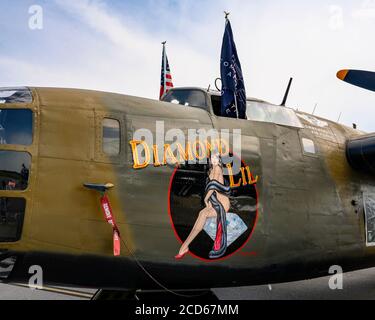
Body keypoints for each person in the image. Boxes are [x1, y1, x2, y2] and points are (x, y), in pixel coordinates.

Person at [175, 151, 231, 259]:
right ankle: (184, 247)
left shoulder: (218, 169)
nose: (213, 160)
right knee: (202, 214)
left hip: (222, 204)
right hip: (215, 202)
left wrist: (206, 199)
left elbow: (212, 186)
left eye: (216, 158)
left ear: (219, 159)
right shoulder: (211, 170)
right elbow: (211, 190)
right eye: (212, 158)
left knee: (203, 214)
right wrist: (209, 203)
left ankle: (184, 247)